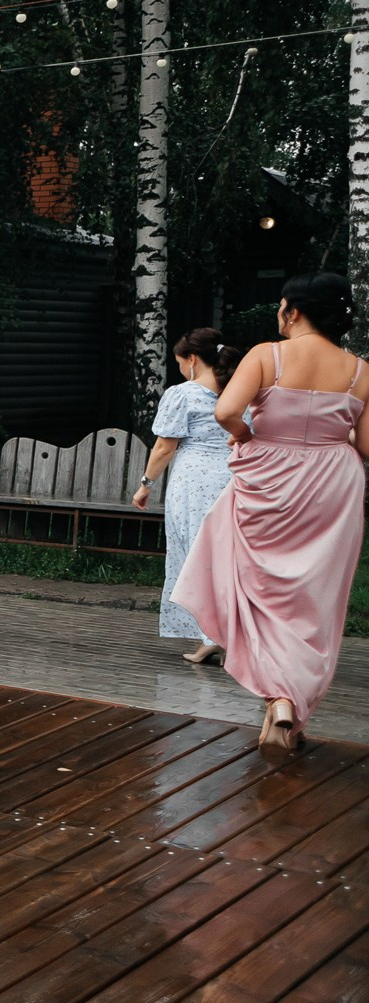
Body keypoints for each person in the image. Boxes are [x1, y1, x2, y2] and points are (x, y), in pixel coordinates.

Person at [173, 273, 369, 749]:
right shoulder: (361, 370)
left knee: (257, 587)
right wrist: (327, 441)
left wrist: (247, 436)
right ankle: (287, 705)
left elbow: (225, 413)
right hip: (333, 483)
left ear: (294, 311)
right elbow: (365, 445)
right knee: (313, 600)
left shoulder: (267, 355)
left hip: (268, 474)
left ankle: (278, 702)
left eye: (281, 305)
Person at [134, 328, 236, 659]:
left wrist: (145, 484)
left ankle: (212, 635)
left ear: (192, 360)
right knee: (229, 560)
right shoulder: (240, 391)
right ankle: (233, 634)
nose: (179, 368)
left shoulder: (183, 394)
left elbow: (165, 447)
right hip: (237, 480)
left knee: (195, 556)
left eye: (179, 362)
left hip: (195, 484)